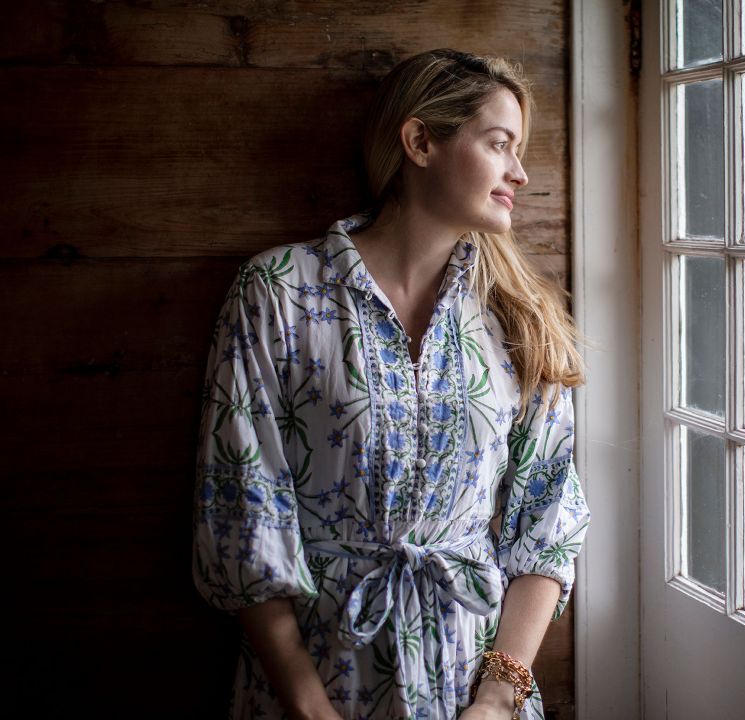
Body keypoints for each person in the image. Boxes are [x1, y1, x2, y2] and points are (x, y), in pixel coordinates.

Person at [192, 49, 590, 720]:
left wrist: (496, 700)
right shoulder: (280, 294)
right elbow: (242, 519)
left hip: (474, 687)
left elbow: (549, 526)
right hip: (316, 680)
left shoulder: (521, 319)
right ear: (420, 141)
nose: (520, 173)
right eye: (500, 145)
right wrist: (309, 708)